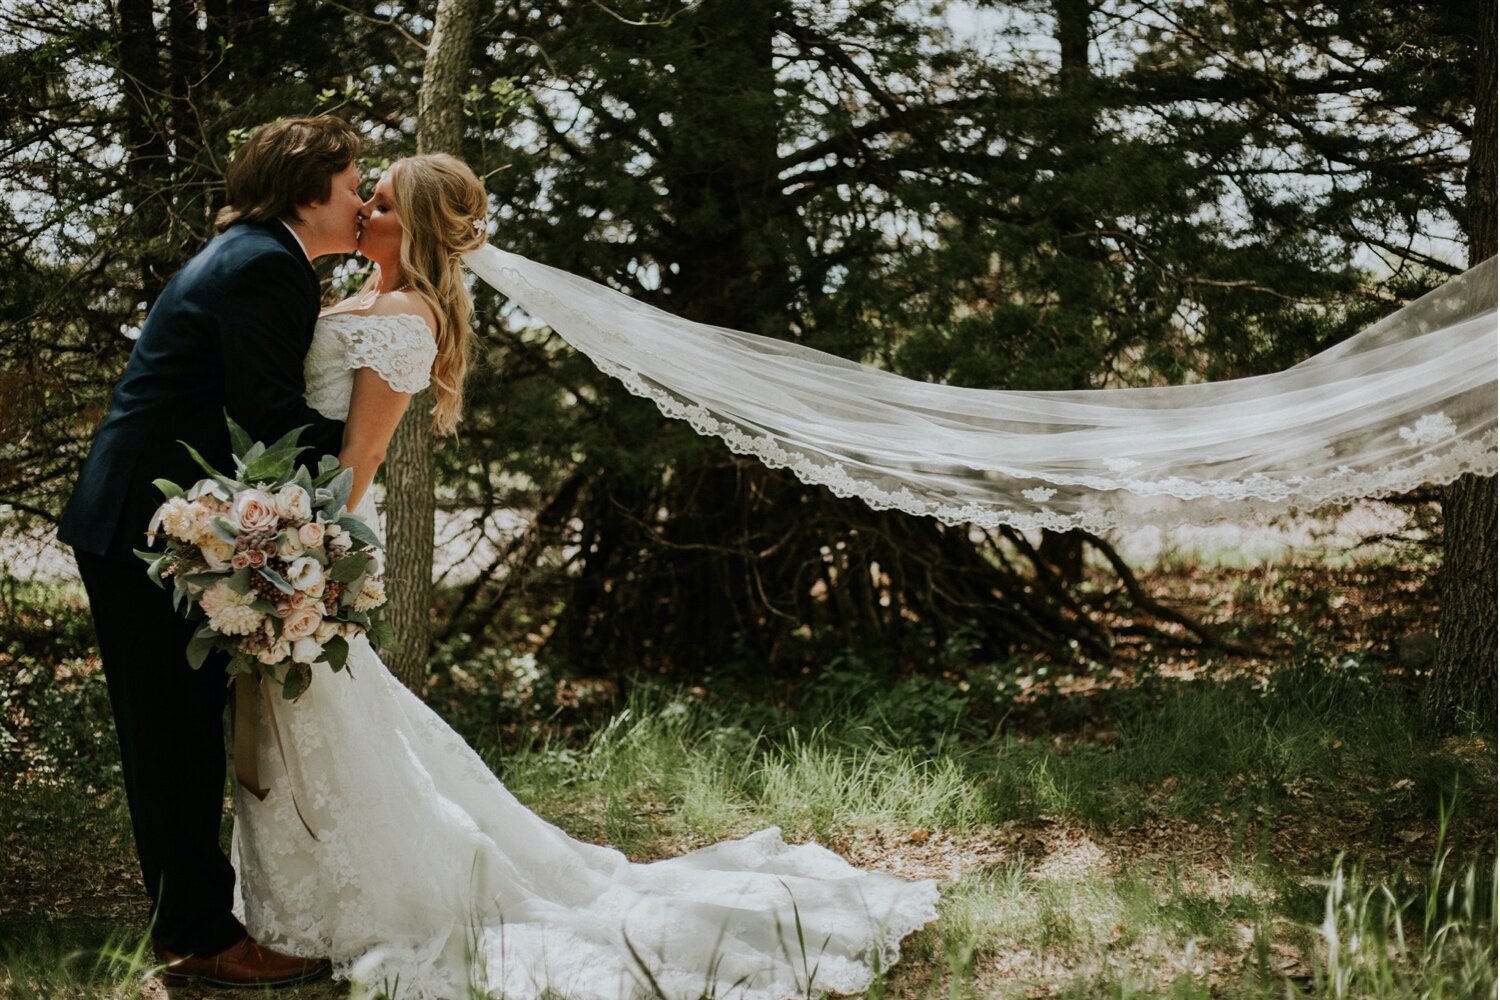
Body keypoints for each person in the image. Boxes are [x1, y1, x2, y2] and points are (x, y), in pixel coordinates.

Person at [229, 152, 940, 1000]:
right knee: (308, 711)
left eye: (374, 203)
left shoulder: (406, 314)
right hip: (296, 521)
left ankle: (350, 904)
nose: (360, 210)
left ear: (408, 223)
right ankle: (297, 897)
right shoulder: (356, 296)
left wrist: (306, 554)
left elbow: (367, 451)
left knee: (317, 704)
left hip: (325, 529)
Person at [54, 116, 365, 985]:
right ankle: (199, 940)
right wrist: (368, 438)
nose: (363, 196)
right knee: (173, 735)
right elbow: (268, 414)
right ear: (309, 191)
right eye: (351, 183)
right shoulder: (270, 267)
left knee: (181, 728)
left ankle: (192, 922)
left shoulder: (253, 253)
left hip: (146, 519)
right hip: (141, 528)